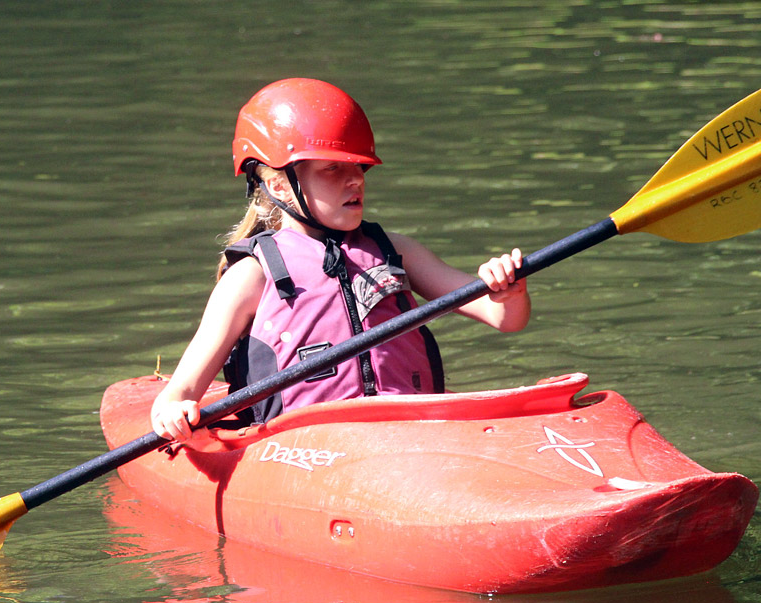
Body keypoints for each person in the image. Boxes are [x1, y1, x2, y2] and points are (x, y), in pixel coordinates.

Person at [151, 78, 530, 441]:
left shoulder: (397, 251)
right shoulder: (251, 276)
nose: (356, 180)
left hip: (414, 429)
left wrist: (507, 290)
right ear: (279, 184)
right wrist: (174, 411)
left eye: (359, 167)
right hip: (309, 450)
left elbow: (504, 318)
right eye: (333, 168)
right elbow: (179, 393)